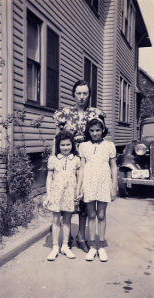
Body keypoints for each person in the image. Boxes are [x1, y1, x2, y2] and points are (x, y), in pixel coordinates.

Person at [52, 80, 100, 253]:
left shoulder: (95, 114)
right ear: (73, 94)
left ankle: (81, 237)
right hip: (68, 161)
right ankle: (67, 238)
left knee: (84, 198)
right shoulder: (64, 114)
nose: (82, 97)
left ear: (89, 95)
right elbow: (57, 138)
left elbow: (98, 137)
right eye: (78, 93)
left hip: (88, 162)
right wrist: (54, 159)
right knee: (67, 196)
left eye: (85, 93)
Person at [77, 110, 117, 262]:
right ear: (88, 131)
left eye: (98, 130)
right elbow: (81, 168)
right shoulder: (83, 146)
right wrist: (79, 186)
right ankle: (92, 246)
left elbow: (113, 167)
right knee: (91, 215)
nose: (95, 133)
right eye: (92, 130)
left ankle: (101, 246)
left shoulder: (109, 145)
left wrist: (114, 186)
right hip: (88, 183)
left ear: (103, 130)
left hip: (103, 183)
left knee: (101, 215)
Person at [43, 130, 80, 261]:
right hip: (56, 192)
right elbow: (49, 177)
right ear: (58, 145)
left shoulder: (76, 159)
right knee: (56, 219)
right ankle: (55, 247)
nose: (65, 147)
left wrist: (78, 191)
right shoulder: (53, 159)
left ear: (72, 145)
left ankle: (65, 246)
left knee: (67, 220)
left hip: (70, 192)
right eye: (63, 145)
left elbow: (78, 176)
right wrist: (48, 195)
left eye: (68, 145)